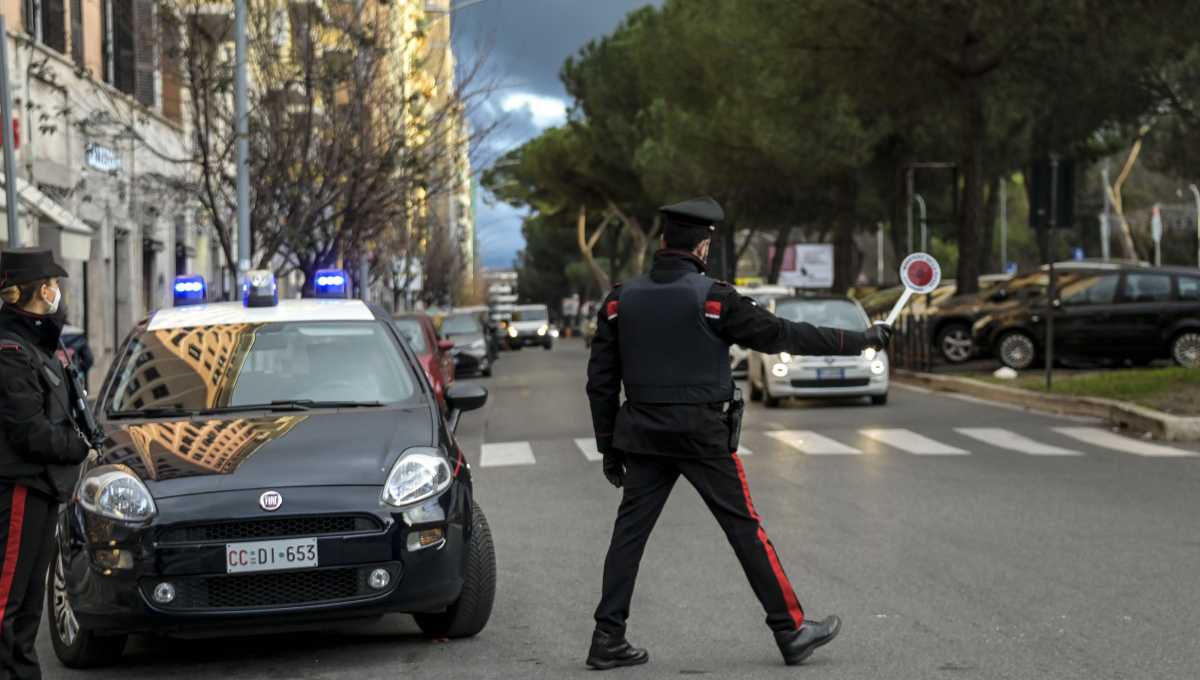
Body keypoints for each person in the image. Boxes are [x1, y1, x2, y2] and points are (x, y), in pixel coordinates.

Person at [584, 197, 892, 670]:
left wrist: (609, 447)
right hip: (703, 437)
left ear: (664, 242)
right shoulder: (715, 299)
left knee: (628, 537)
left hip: (642, 436)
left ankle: (607, 638)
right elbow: (786, 335)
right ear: (703, 246)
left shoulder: (619, 301)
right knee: (744, 530)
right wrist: (861, 340)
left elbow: (601, 383)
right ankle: (789, 631)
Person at [0, 248, 93, 680]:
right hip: (20, 487)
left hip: (40, 488)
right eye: (53, 284)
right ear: (40, 290)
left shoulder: (34, 344)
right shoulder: (10, 351)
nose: (58, 291)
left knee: (28, 603)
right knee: (9, 603)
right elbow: (30, 431)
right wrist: (77, 447)